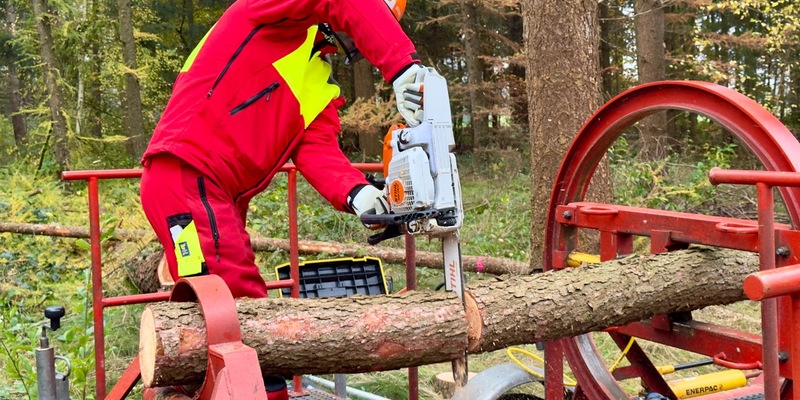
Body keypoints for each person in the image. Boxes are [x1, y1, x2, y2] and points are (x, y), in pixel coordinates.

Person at [139, 0, 428, 397]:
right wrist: (402, 64)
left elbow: (318, 151)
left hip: (215, 195)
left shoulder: (317, 82)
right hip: (185, 176)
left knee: (212, 316)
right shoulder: (265, 12)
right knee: (238, 308)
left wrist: (360, 194)